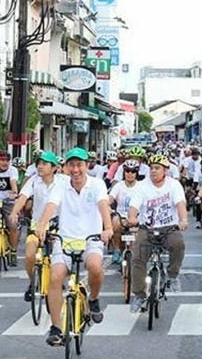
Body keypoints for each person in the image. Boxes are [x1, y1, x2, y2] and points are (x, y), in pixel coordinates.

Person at [36, 148, 113, 347]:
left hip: (91, 239)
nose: (76, 169)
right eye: (71, 165)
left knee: (95, 267)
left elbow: (103, 205)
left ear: (87, 166)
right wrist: (42, 225)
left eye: (79, 164)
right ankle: (56, 328)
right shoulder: (60, 186)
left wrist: (108, 227)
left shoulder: (97, 184)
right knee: (55, 277)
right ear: (66, 167)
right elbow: (51, 206)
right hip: (65, 239)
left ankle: (93, 299)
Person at [126, 154, 188, 312]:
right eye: (151, 168)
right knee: (137, 258)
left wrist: (183, 220)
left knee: (178, 244)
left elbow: (180, 204)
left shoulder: (174, 185)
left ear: (165, 171)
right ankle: (139, 295)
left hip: (169, 228)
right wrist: (132, 217)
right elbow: (134, 206)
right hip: (147, 229)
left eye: (157, 168)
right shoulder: (142, 186)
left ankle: (173, 275)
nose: (153, 171)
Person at [9, 151, 65, 302]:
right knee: (29, 255)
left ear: (54, 168)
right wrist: (14, 212)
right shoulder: (33, 181)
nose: (40, 167)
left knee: (61, 257)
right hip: (36, 225)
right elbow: (23, 198)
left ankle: (59, 280)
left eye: (44, 164)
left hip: (58, 225)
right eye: (38, 163)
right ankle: (32, 281)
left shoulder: (64, 181)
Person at [109, 159, 142, 265]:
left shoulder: (142, 187)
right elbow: (110, 199)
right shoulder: (119, 186)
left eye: (133, 171)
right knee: (115, 222)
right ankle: (117, 250)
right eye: (127, 171)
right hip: (121, 217)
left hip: (137, 218)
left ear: (137, 173)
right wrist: (107, 206)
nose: (130, 174)